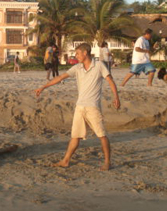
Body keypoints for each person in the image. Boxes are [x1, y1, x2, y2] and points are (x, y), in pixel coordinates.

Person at [35, 43, 120, 171]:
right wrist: (43, 87)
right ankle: (65, 161)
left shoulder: (99, 65)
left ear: (85, 53)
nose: (76, 56)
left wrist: (116, 97)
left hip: (93, 107)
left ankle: (108, 162)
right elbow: (60, 77)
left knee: (102, 135)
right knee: (75, 136)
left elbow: (110, 81)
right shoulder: (77, 68)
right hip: (80, 107)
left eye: (78, 53)